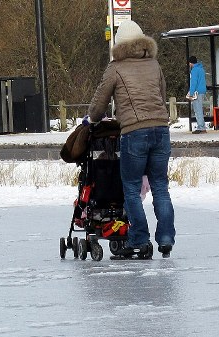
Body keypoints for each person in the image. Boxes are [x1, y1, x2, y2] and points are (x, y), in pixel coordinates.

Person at [87, 20, 176, 258]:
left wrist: (92, 119)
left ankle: (139, 240)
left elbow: (100, 102)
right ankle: (166, 239)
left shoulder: (116, 68)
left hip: (134, 132)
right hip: (161, 130)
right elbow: (162, 95)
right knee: (160, 187)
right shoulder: (154, 65)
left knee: (131, 188)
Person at [187, 55, 207, 134]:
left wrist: (191, 93)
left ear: (191, 63)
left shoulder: (194, 70)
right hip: (202, 91)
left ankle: (201, 127)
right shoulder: (201, 69)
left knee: (197, 110)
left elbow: (193, 83)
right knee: (200, 109)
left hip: (196, 92)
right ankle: (201, 126)